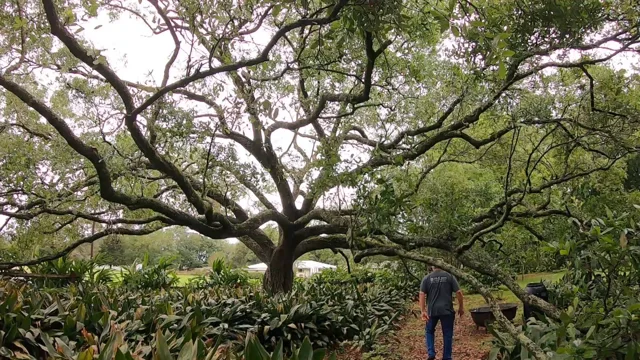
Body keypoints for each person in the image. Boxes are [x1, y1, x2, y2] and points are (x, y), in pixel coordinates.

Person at [420, 265, 464, 360]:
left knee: (429, 331)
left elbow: (422, 294)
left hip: (432, 311)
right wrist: (461, 307)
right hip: (447, 311)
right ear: (442, 265)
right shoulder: (449, 276)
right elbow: (459, 292)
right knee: (447, 333)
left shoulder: (427, 278)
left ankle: (431, 353)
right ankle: (447, 357)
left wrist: (423, 310)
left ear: (432, 266)